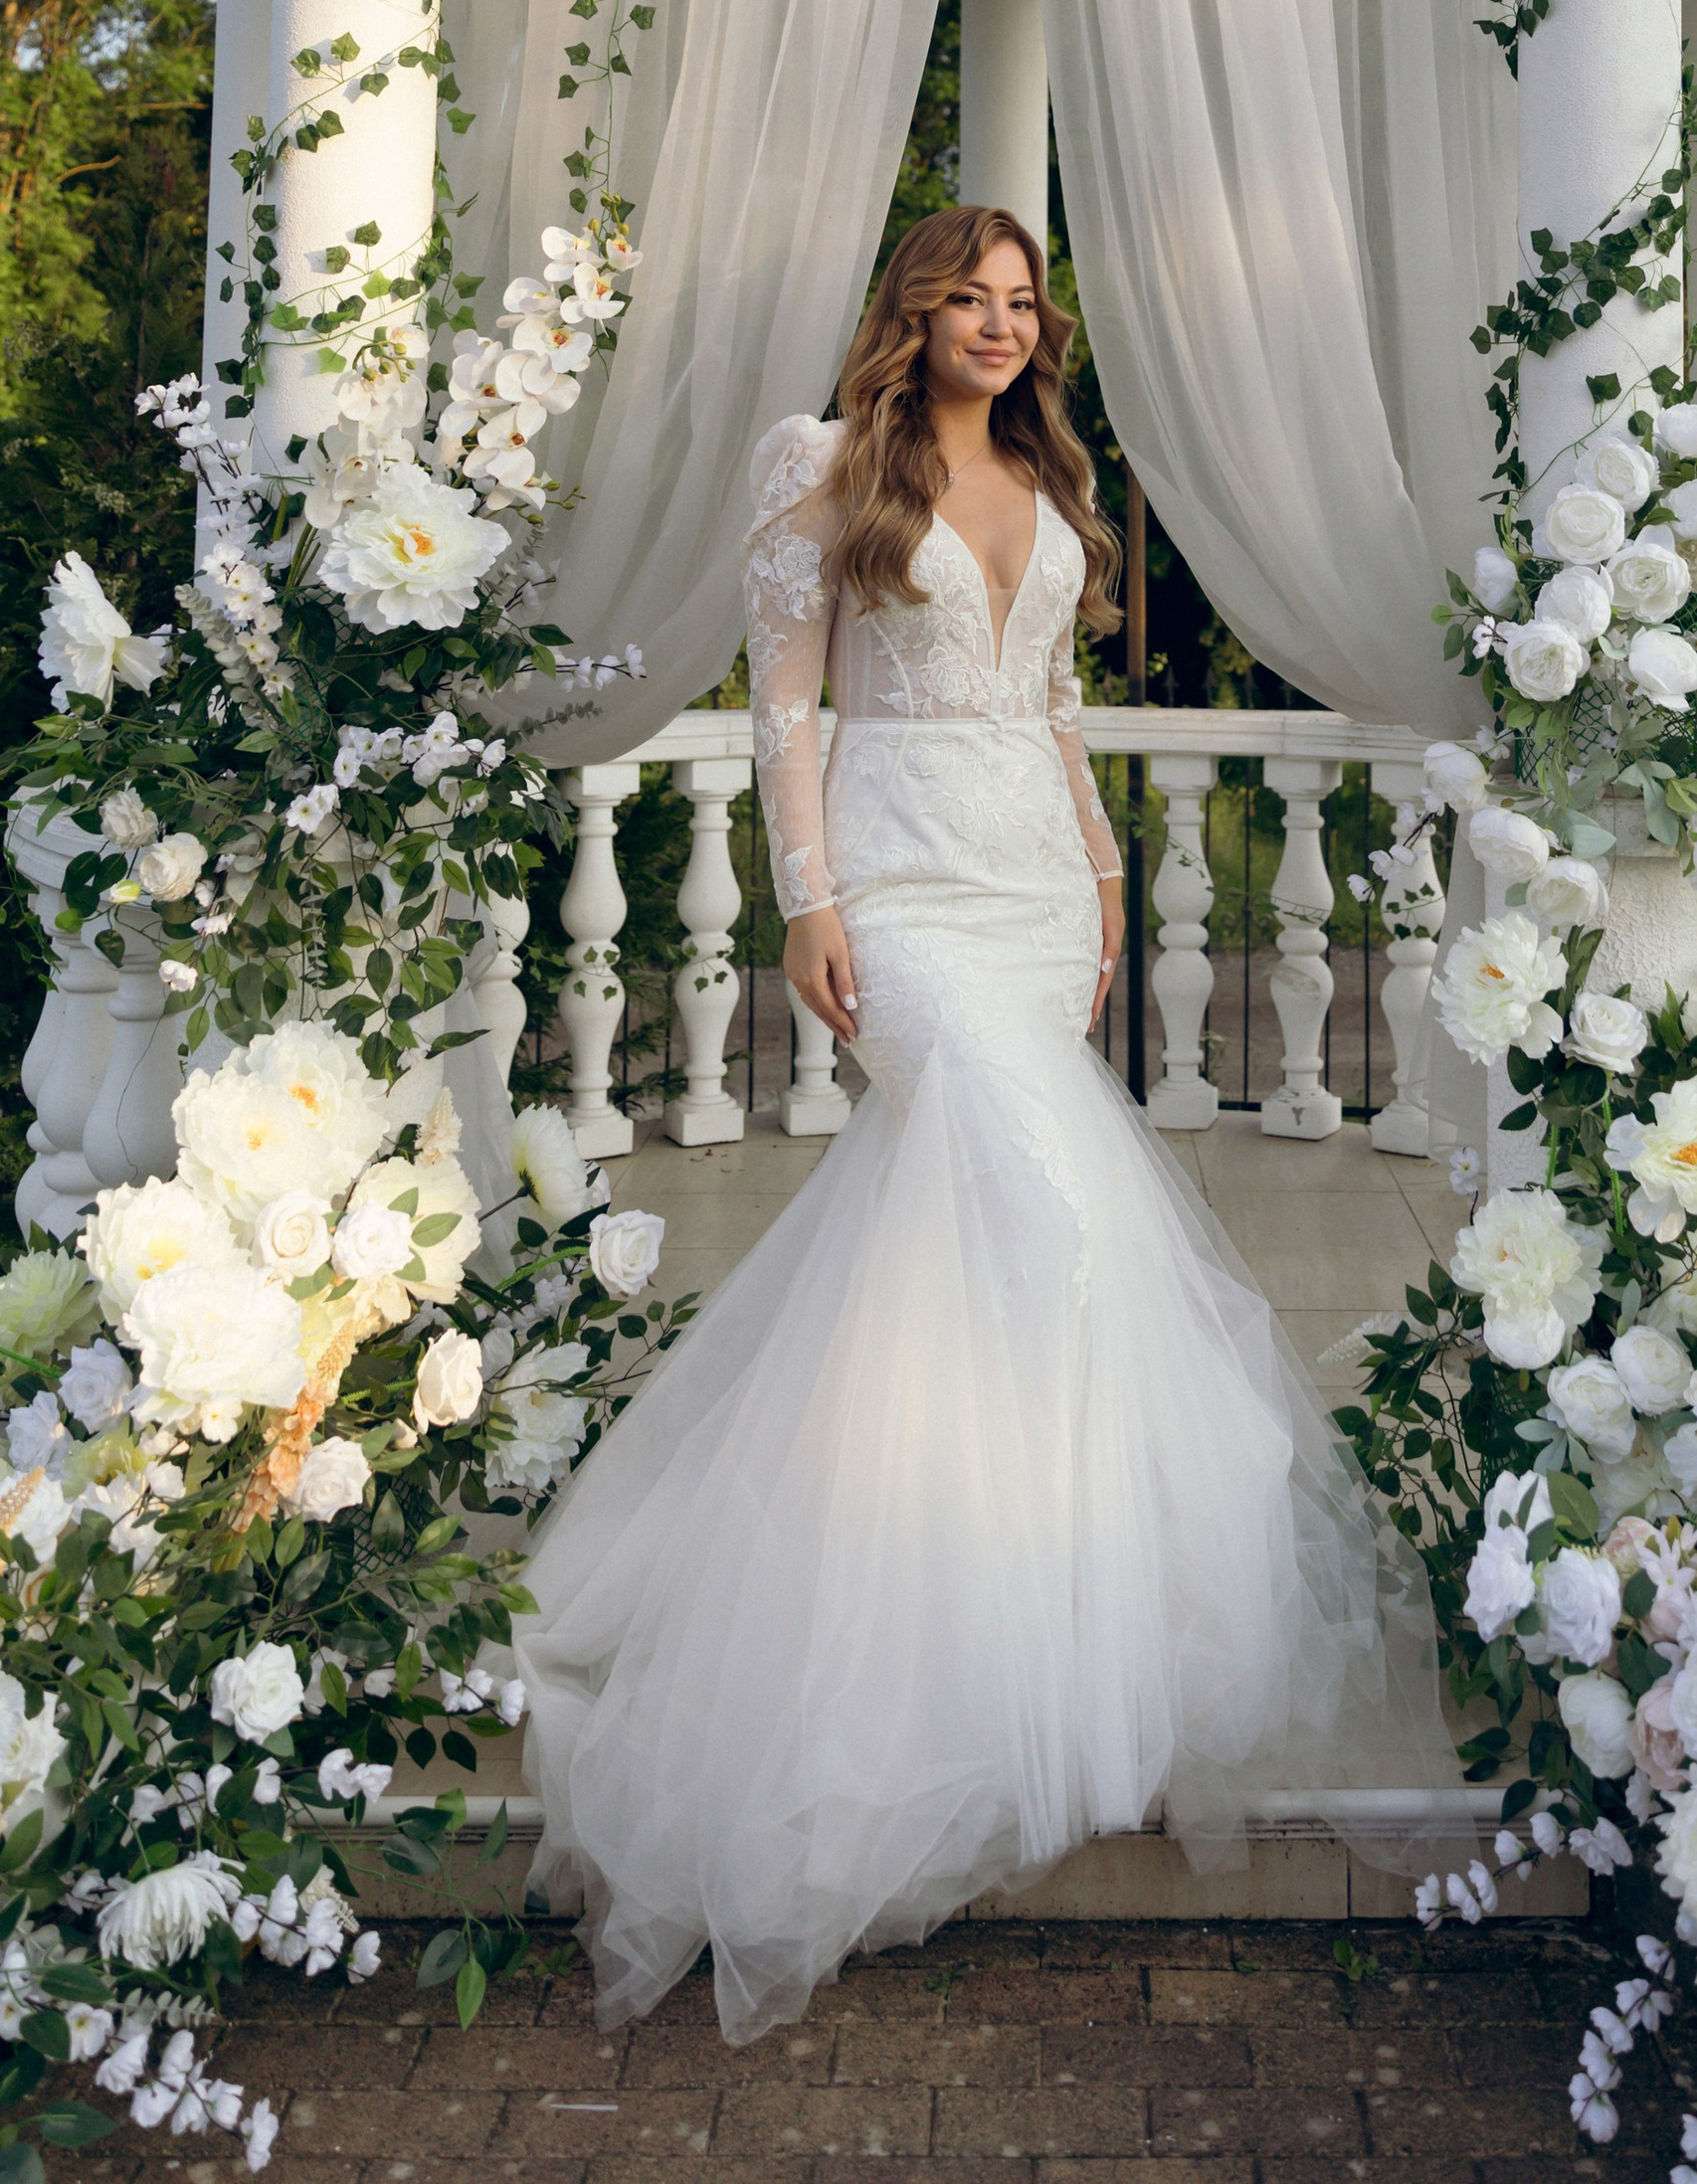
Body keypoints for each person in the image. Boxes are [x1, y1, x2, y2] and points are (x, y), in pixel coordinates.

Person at [519, 206, 1458, 2040]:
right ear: (915, 308)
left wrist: (1107, 877)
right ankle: (911, 1650)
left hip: (1034, 887)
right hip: (898, 879)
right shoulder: (824, 463)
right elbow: (784, 703)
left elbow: (1050, 704)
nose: (1004, 326)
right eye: (974, 296)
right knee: (1057, 1209)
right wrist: (805, 902)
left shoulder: (1048, 469)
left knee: (963, 1238)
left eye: (1028, 304)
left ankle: (1009, 1593)